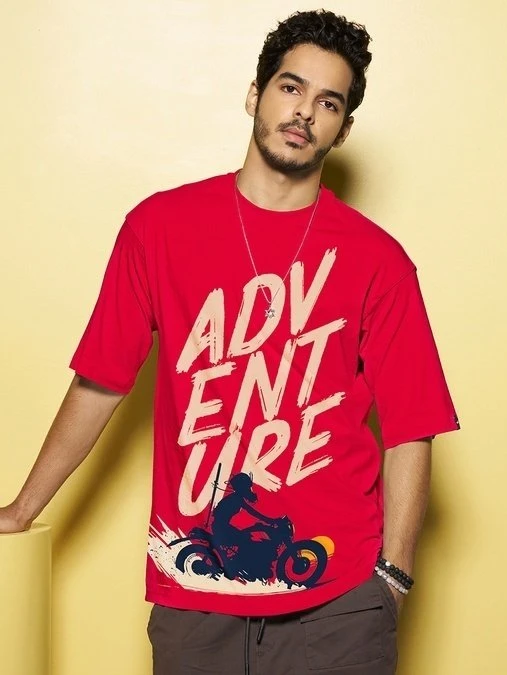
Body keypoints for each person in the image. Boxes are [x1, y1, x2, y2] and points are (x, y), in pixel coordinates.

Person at [0, 9, 460, 675]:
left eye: (328, 102)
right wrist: (22, 507)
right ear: (255, 94)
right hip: (194, 599)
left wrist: (393, 576)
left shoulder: (378, 260)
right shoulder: (158, 229)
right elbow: (100, 380)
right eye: (290, 87)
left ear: (342, 129)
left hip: (339, 608)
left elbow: (412, 425)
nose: (304, 112)